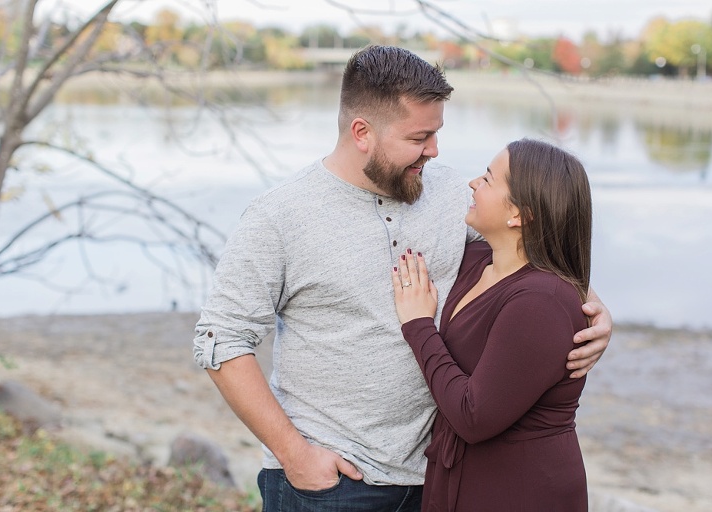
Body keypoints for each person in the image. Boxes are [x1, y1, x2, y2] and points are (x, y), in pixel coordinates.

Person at [193, 45, 611, 512]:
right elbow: (221, 339)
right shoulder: (280, 217)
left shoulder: (452, 194)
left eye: (436, 134)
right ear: (362, 133)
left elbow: (533, 258)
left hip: (439, 479)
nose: (434, 150)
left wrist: (594, 311)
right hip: (332, 485)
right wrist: (296, 456)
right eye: (419, 137)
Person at [392, 138, 593, 511]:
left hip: (519, 492)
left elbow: (474, 416)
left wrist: (419, 326)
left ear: (519, 213)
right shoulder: (475, 260)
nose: (472, 183)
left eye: (487, 178)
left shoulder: (541, 303)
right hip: (460, 481)